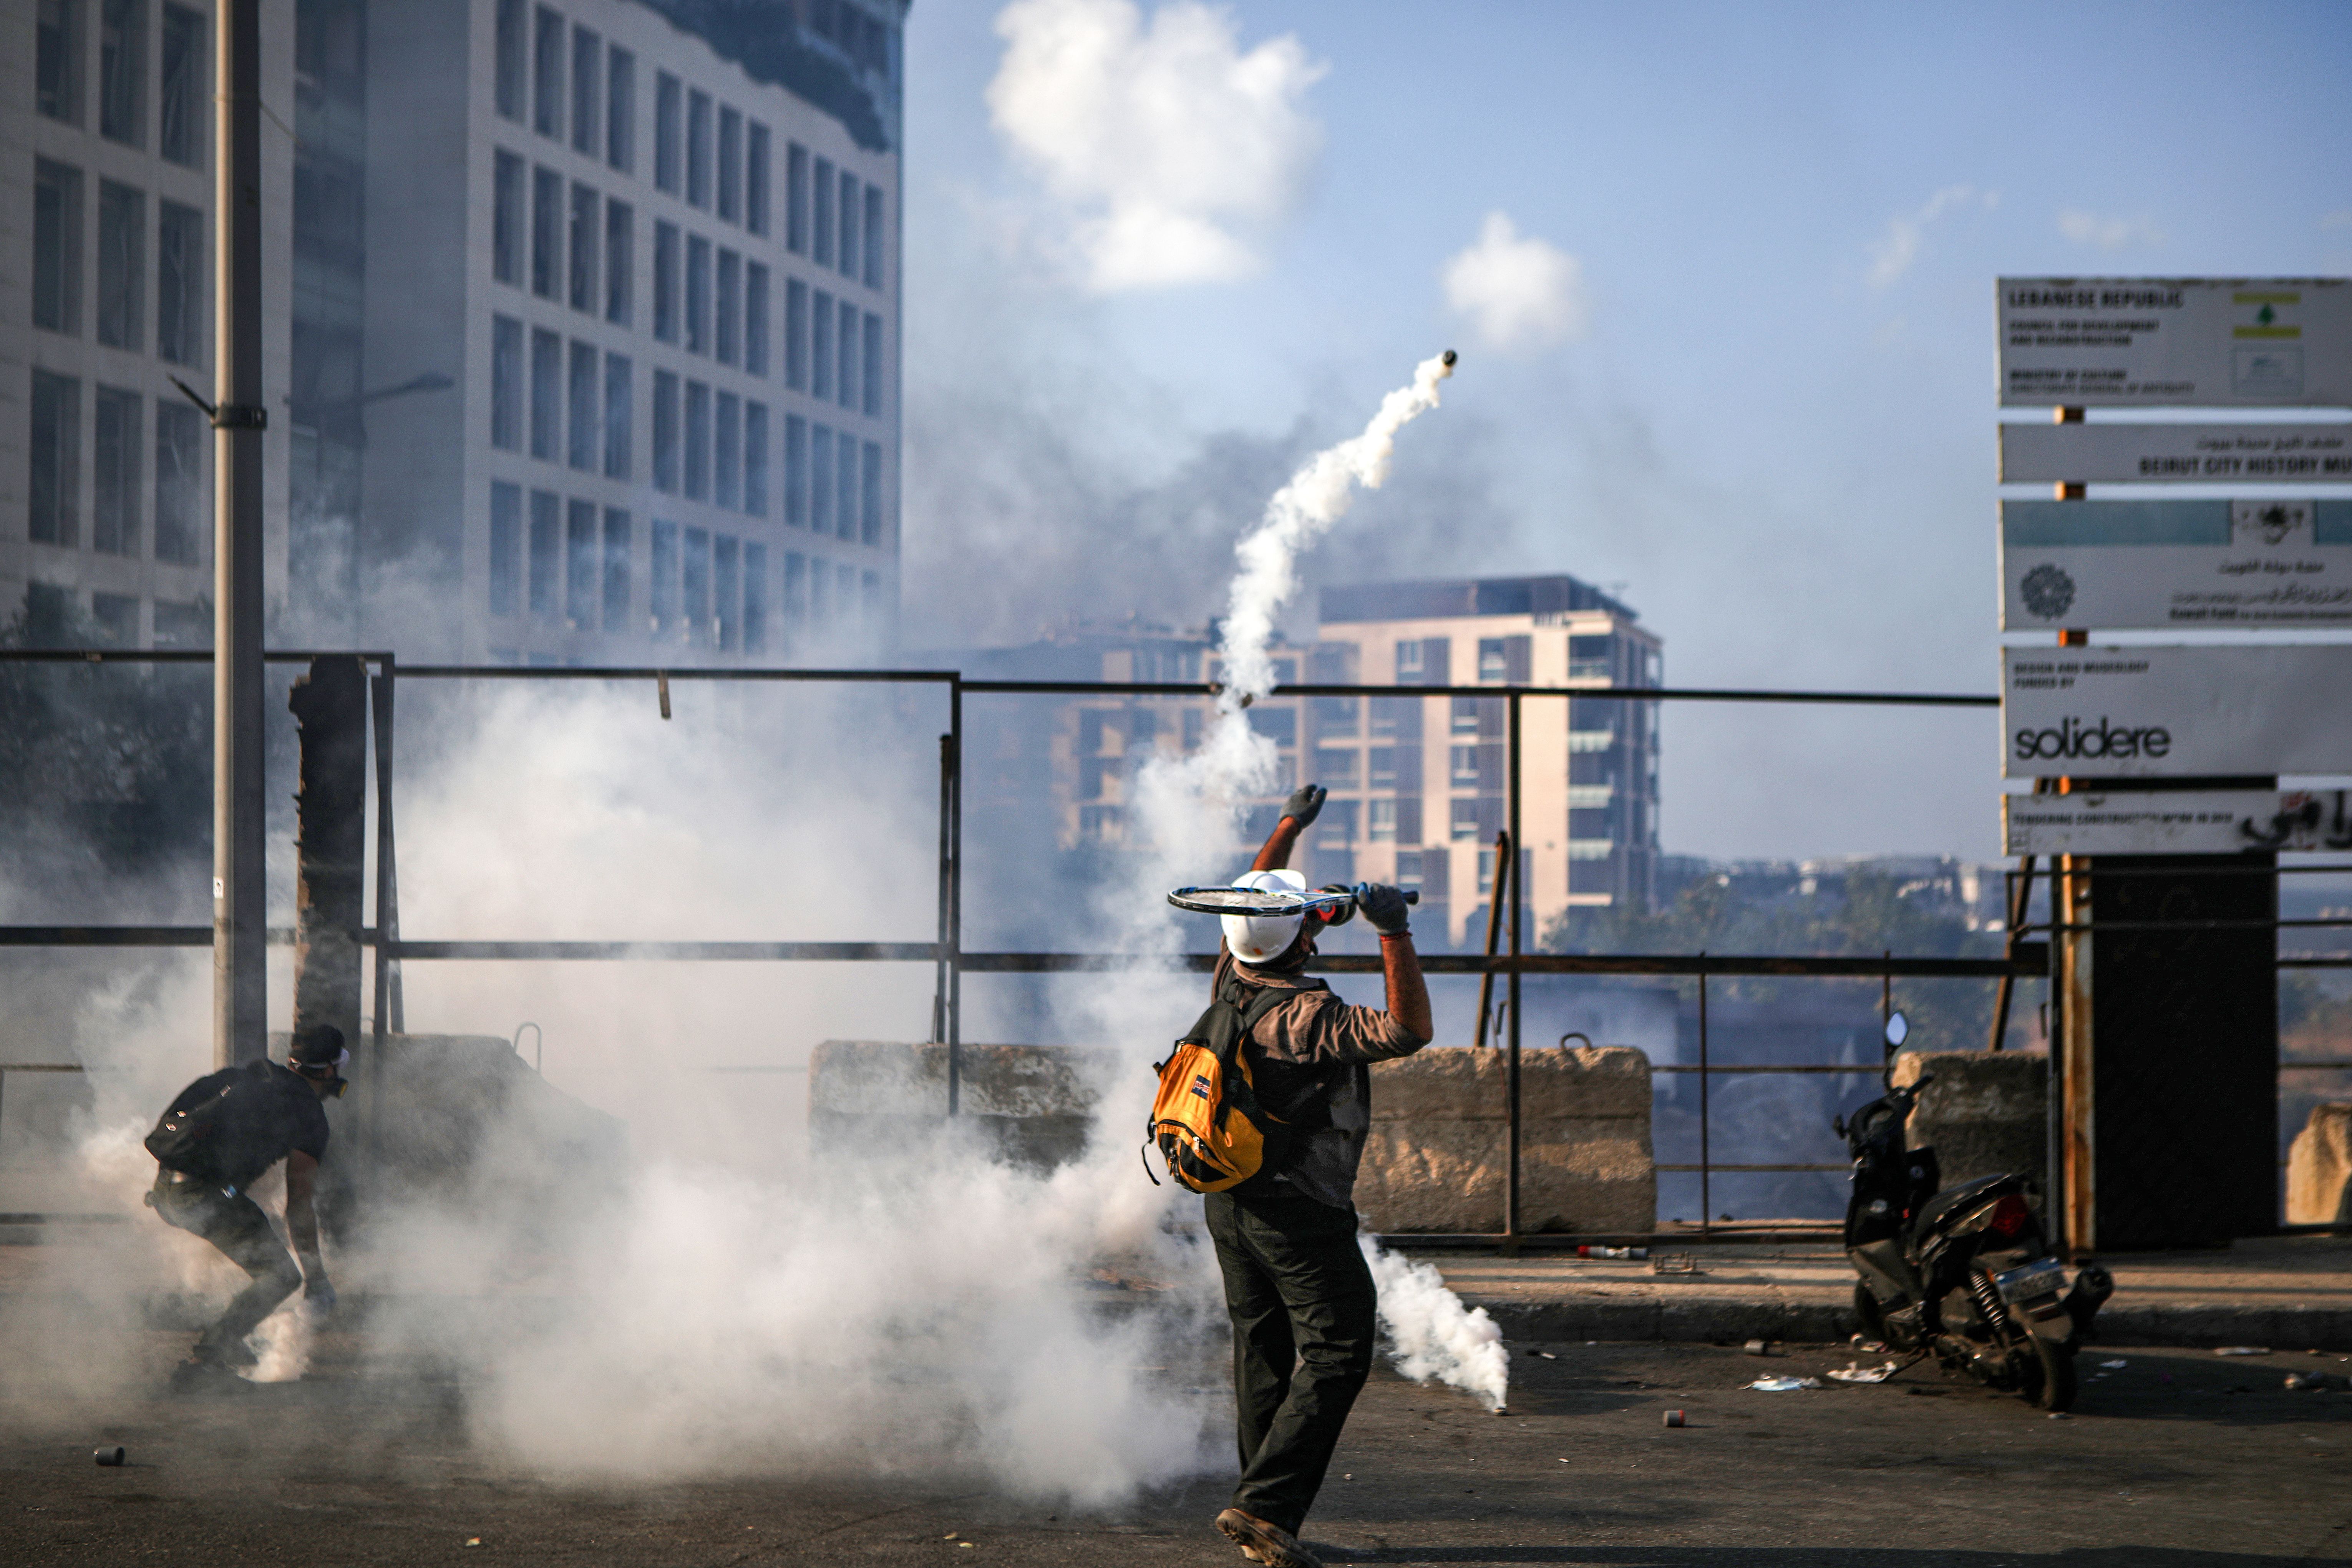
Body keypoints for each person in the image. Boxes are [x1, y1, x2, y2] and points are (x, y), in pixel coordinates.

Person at [1205, 783, 1433, 1568]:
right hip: (1297, 1209)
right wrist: (1393, 931)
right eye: (1305, 920)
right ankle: (1264, 1509)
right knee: (1338, 1351)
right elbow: (1407, 1029)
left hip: (1228, 1202)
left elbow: (1249, 910)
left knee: (1261, 1353)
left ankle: (1262, 1514)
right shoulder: (1309, 1017)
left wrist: (1288, 829)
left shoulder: (1231, 977)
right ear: (1300, 941)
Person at [144, 1024, 345, 1386]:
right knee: (281, 1275)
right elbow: (299, 1204)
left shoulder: (249, 1076)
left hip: (165, 1192)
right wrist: (317, 1278)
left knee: (255, 1241)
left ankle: (230, 1342)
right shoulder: (310, 1116)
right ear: (329, 1070)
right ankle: (207, 1361)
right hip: (202, 1198)